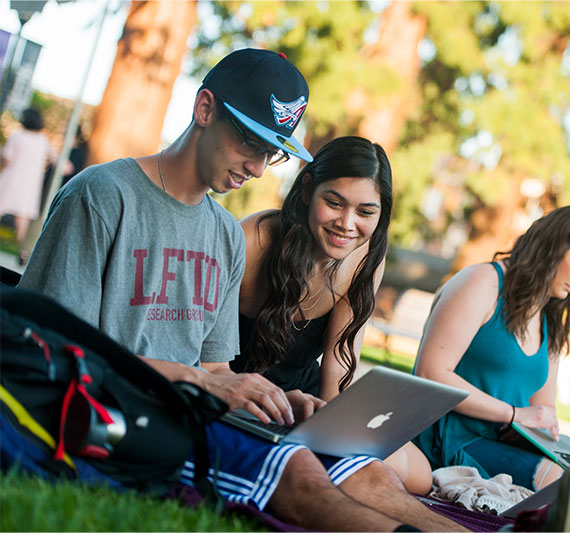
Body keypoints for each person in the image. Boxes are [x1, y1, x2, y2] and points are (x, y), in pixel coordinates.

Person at [17, 48, 463, 532]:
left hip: (196, 408)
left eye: (271, 154)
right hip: (121, 411)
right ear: (204, 109)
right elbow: (52, 350)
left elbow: (215, 366)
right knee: (301, 479)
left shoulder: (223, 233)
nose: (257, 168)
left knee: (371, 474)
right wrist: (206, 384)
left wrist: (273, 397)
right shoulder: (102, 195)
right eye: (249, 143)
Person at [230, 135, 433, 495]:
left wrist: (331, 430)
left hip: (302, 394)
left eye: (366, 212)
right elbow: (200, 355)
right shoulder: (253, 241)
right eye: (334, 203)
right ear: (307, 189)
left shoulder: (363, 258)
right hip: (240, 388)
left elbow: (339, 369)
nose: (347, 224)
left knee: (418, 474)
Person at [412, 205, 570, 527]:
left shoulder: (551, 319)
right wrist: (513, 415)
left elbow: (542, 410)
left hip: (501, 442)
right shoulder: (483, 282)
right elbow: (432, 373)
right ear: (551, 247)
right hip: (449, 438)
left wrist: (539, 433)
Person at [0, 108, 58, 256]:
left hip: (11, 179)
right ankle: (23, 252)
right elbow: (56, 159)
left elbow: (7, 158)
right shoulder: (43, 141)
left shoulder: (17, 136)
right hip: (30, 184)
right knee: (23, 218)